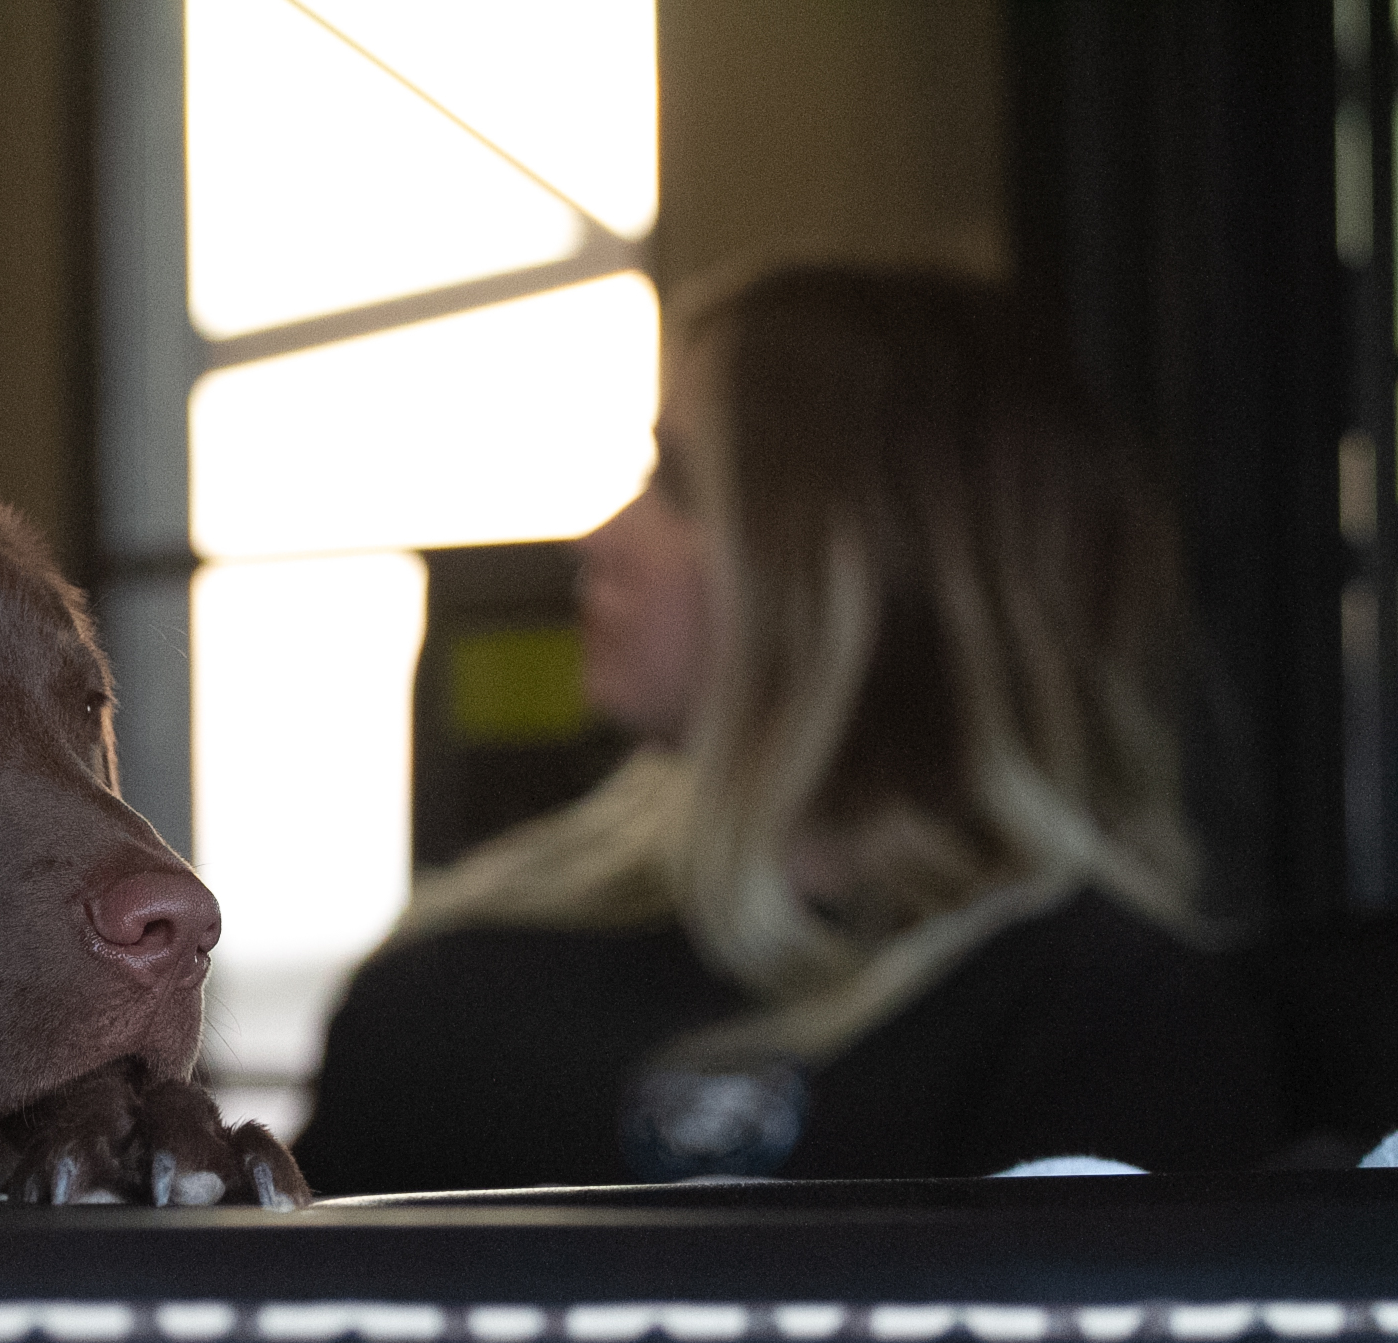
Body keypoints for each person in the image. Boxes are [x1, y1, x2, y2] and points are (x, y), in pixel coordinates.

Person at [293, 264, 1279, 1192]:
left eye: (678, 484)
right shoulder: (446, 992)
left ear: (867, 571)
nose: (600, 541)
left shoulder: (1105, 1025)